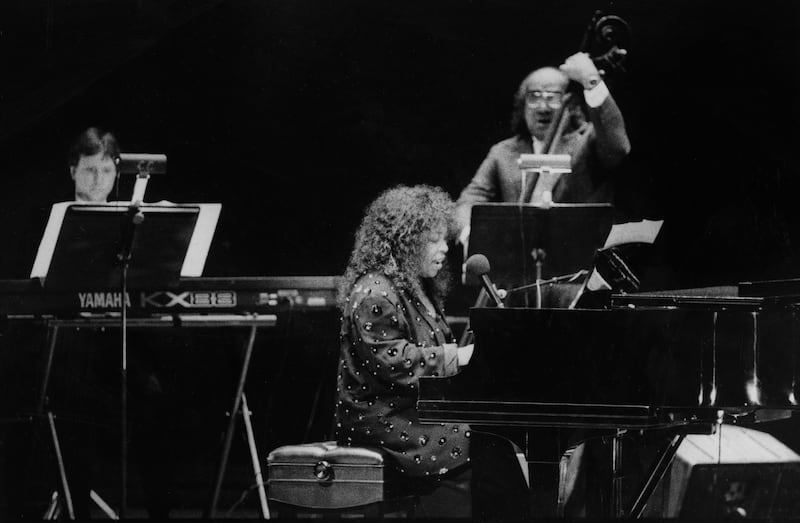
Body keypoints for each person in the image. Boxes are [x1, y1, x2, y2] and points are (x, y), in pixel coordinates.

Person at [335, 184, 530, 519]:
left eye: (445, 239)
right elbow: (397, 362)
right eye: (434, 240)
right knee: (473, 440)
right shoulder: (374, 292)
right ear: (405, 241)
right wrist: (459, 356)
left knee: (496, 438)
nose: (444, 249)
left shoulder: (415, 289)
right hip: (383, 416)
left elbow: (434, 348)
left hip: (413, 408)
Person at [455, 52, 631, 237]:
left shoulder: (586, 141)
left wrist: (590, 79)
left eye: (553, 97)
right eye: (534, 96)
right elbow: (468, 201)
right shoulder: (502, 152)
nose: (543, 107)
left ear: (570, 104)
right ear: (522, 105)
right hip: (521, 259)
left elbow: (618, 147)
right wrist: (469, 234)